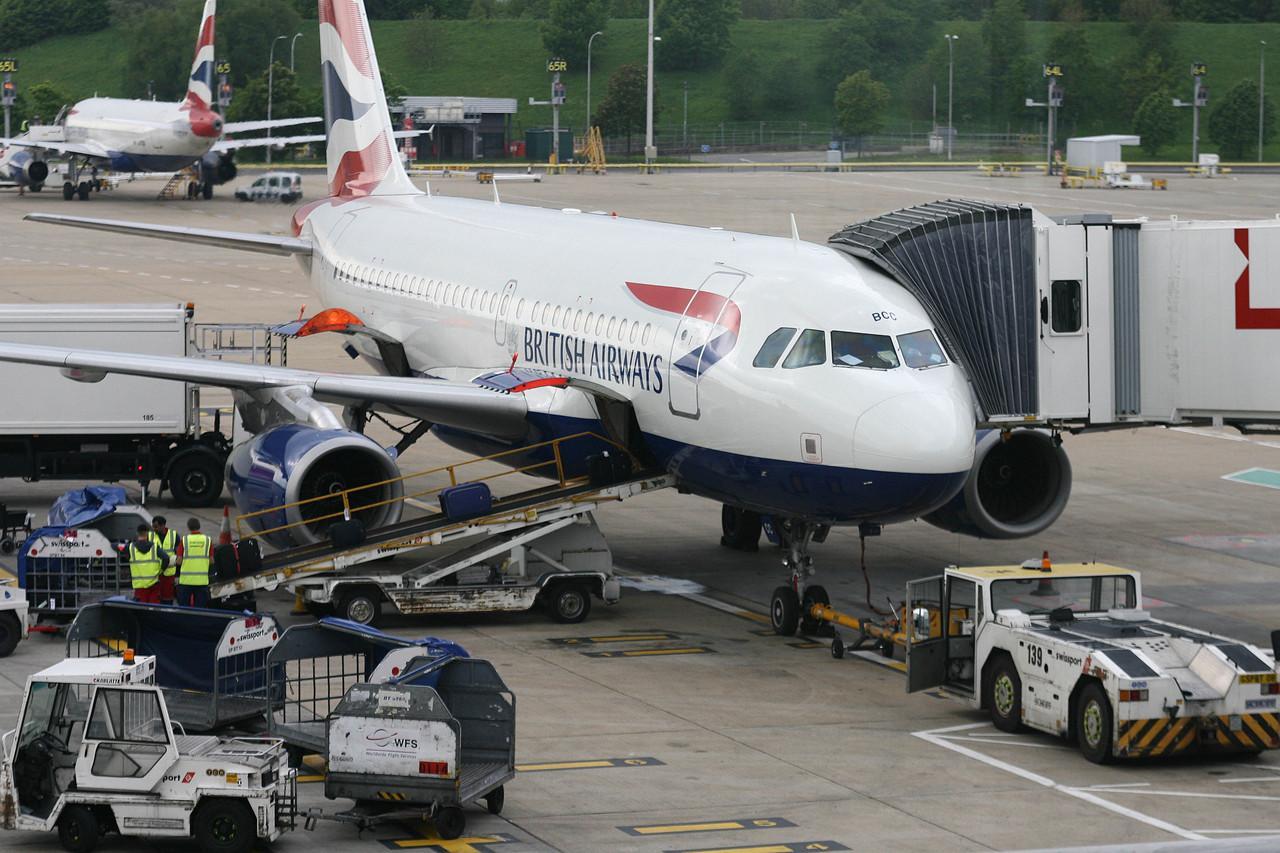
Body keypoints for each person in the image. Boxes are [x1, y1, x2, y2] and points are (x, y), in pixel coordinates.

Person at [128, 524, 170, 604]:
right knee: (154, 609)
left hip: (140, 586)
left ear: (137, 533)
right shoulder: (154, 547)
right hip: (153, 584)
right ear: (147, 533)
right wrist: (161, 570)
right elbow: (166, 558)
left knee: (141, 609)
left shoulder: (130, 548)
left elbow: (117, 547)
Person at [176, 517, 212, 609]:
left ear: (188, 527)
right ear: (199, 526)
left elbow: (179, 561)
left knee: (184, 609)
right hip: (202, 582)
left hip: (186, 581)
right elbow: (212, 561)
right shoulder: (207, 540)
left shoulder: (184, 540)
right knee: (200, 609)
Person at [151, 516, 179, 604]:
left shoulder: (174, 535)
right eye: (153, 526)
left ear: (163, 525)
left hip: (168, 573)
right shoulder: (150, 535)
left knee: (167, 598)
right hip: (155, 572)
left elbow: (179, 553)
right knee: (156, 598)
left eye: (156, 526)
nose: (154, 529)